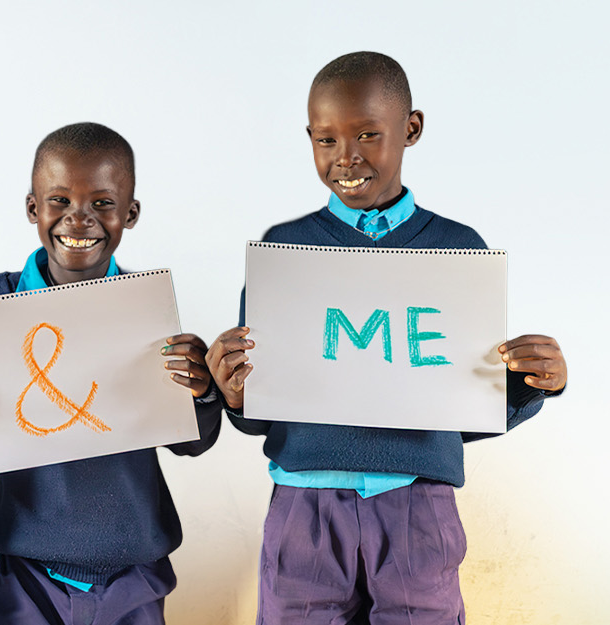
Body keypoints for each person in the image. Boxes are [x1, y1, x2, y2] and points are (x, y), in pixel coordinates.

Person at [206, 52, 571, 624]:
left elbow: (465, 409)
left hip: (417, 504)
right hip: (304, 506)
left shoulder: (458, 250)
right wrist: (233, 394)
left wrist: (532, 384)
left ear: (412, 128)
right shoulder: (283, 251)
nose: (345, 157)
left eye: (367, 134)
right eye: (326, 140)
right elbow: (260, 413)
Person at [0, 122, 223, 625]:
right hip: (28, 575)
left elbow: (191, 443)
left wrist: (202, 394)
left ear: (130, 213)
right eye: (60, 201)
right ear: (33, 208)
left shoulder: (146, 310)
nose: (79, 218)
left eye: (102, 203)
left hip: (136, 571)